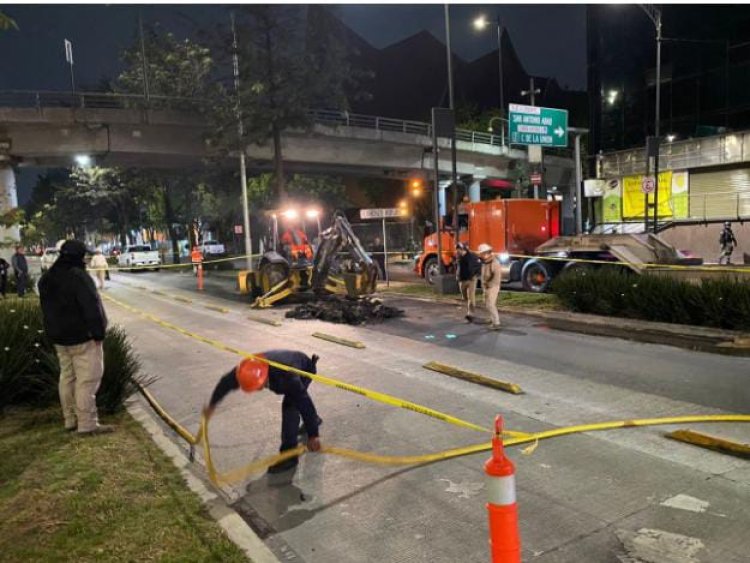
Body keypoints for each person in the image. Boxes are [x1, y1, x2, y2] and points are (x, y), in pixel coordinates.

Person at [203, 350, 322, 473]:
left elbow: (304, 403)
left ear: (265, 376)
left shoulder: (288, 377)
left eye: (258, 386)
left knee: (290, 407)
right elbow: (225, 383)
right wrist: (212, 404)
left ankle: (289, 458)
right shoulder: (247, 369)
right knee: (297, 402)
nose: (257, 390)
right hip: (290, 364)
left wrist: (314, 435)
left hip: (304, 368)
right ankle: (314, 420)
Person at [38, 240, 112, 435]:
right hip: (83, 337)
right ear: (78, 257)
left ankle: (70, 419)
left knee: (67, 377)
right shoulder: (78, 277)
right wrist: (98, 333)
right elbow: (91, 307)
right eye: (84, 256)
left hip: (59, 339)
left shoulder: (46, 278)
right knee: (87, 380)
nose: (86, 259)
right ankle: (87, 424)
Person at [478, 243, 502, 331]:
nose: (481, 255)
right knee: (486, 303)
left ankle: (496, 323)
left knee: (491, 304)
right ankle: (491, 318)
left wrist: (488, 284)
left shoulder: (494, 263)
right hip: (486, 286)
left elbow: (496, 277)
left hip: (493, 286)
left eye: (482, 253)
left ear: (487, 253)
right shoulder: (485, 262)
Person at [456, 243, 481, 319]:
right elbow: (458, 267)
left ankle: (470, 313)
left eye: (459, 249)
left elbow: (479, 265)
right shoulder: (458, 257)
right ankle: (469, 305)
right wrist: (457, 275)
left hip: (471, 279)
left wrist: (476, 274)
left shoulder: (472, 256)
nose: (458, 251)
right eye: (457, 249)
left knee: (471, 297)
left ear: (463, 249)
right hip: (462, 280)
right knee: (464, 296)